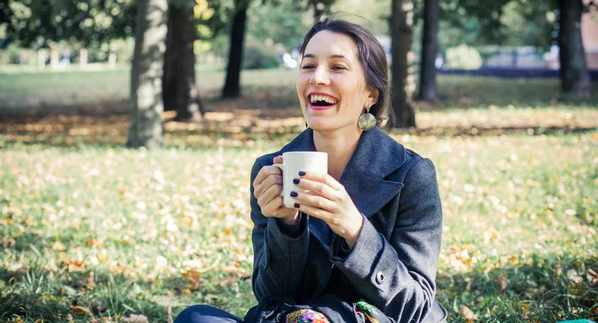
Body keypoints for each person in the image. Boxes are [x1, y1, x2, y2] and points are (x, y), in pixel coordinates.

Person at [175, 19, 447, 323]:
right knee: (196, 318)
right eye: (308, 66)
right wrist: (286, 226)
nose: (317, 78)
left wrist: (355, 230)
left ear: (371, 93)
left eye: (337, 67)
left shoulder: (412, 175)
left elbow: (417, 309)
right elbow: (270, 295)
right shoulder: (270, 170)